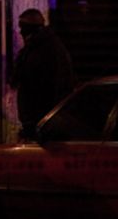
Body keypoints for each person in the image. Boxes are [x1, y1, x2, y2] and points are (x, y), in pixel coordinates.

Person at [8, 8, 74, 140]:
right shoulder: (33, 48)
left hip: (43, 121)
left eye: (23, 28)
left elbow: (51, 86)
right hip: (37, 120)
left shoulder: (48, 49)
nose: (21, 32)